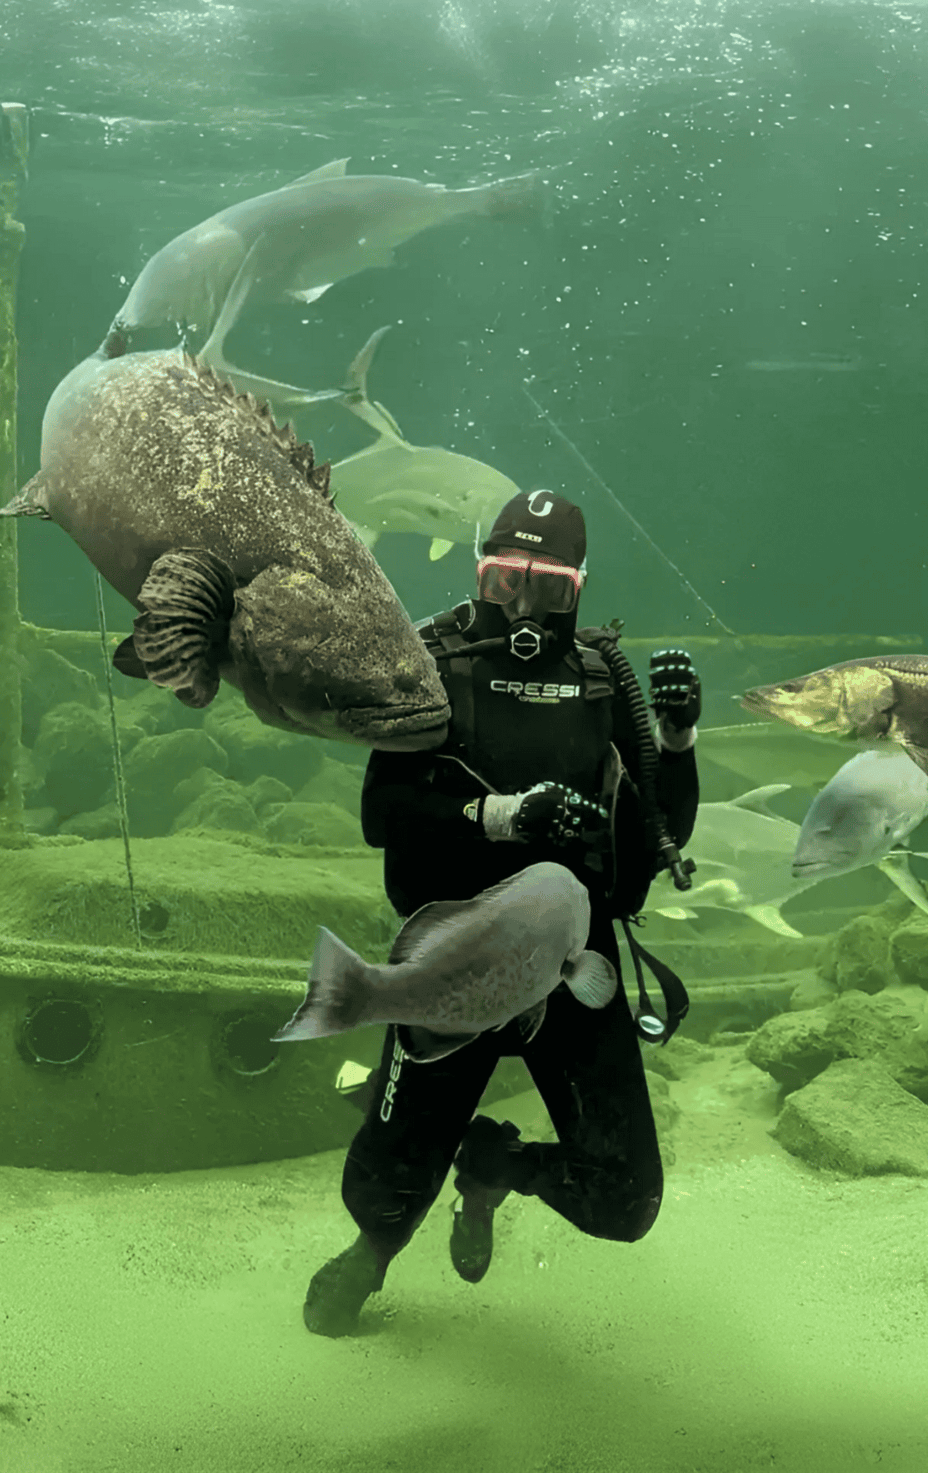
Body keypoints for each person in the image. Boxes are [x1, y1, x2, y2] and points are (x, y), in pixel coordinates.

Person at [303, 490, 700, 1338]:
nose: (520, 607)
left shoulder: (600, 684)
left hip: (571, 966)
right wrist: (499, 818)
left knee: (626, 1201)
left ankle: (493, 1165)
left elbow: (655, 845)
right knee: (377, 1193)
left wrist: (674, 744)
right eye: (504, 580)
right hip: (459, 956)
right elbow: (387, 817)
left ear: (579, 591)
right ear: (481, 571)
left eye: (548, 589)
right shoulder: (433, 666)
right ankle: (374, 1251)